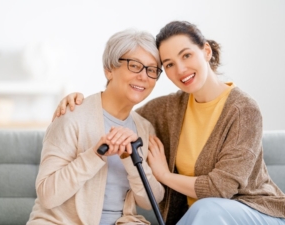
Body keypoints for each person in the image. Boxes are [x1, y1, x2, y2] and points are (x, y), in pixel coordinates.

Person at [53, 21, 285, 225]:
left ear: (206, 51)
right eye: (169, 64)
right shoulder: (168, 109)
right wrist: (78, 101)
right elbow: (117, 113)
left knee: (207, 208)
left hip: (257, 212)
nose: (180, 69)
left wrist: (164, 176)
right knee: (203, 212)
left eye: (186, 55)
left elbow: (221, 189)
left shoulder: (243, 109)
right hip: (200, 219)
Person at [27, 29, 165, 225]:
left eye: (152, 70)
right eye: (134, 66)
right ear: (109, 69)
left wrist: (132, 158)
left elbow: (150, 200)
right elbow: (48, 195)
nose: (144, 76)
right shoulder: (71, 116)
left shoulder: (144, 127)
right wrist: (95, 154)